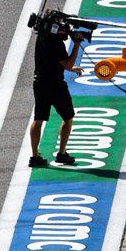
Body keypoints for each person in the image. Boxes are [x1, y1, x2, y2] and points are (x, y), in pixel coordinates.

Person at [29, 23, 84, 168]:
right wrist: (77, 44)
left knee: (38, 118)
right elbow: (67, 64)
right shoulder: (57, 44)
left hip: (39, 83)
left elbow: (52, 62)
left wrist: (70, 68)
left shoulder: (41, 37)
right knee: (68, 117)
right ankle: (61, 153)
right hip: (55, 85)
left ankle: (34, 156)